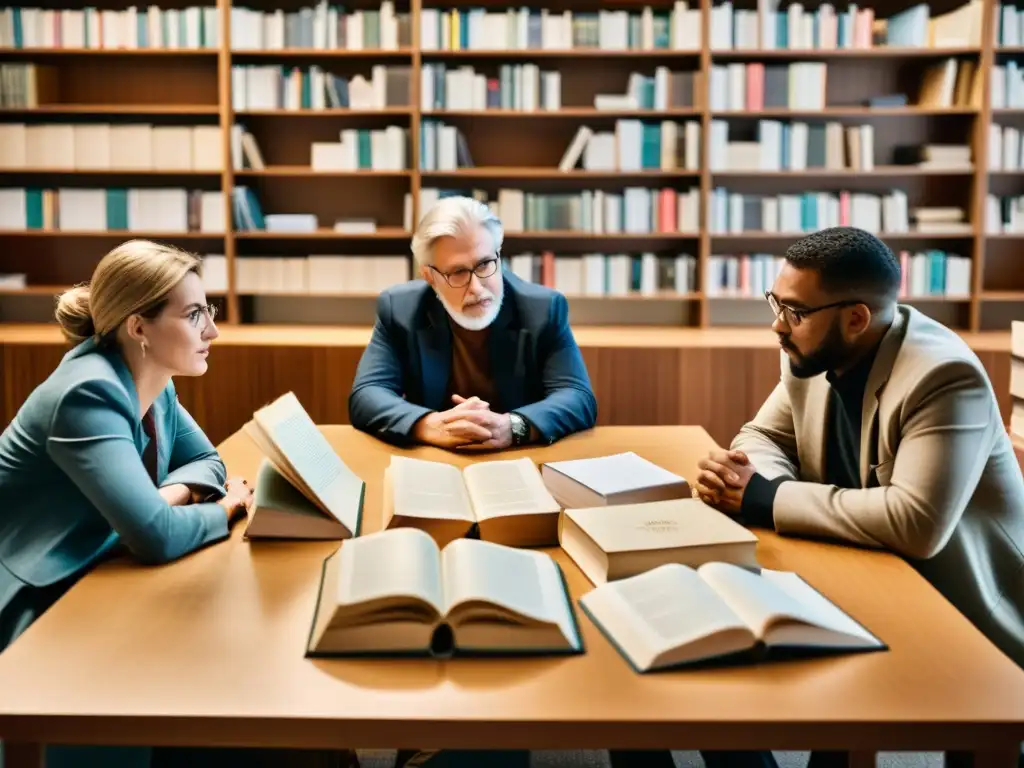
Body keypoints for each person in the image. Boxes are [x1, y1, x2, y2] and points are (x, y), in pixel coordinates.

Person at [695, 226, 1024, 768]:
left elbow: (916, 523)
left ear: (855, 319)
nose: (777, 324)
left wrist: (764, 499)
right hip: (862, 571)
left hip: (961, 613)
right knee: (715, 653)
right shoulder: (812, 349)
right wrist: (749, 480)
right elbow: (764, 436)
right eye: (776, 303)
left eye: (794, 311)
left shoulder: (944, 376)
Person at [0, 240, 254, 766]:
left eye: (209, 310)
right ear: (139, 328)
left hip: (99, 561)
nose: (213, 331)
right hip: (33, 591)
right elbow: (157, 535)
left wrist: (167, 496)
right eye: (193, 315)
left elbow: (209, 462)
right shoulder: (86, 393)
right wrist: (226, 509)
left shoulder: (152, 381)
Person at [348, 195, 597, 451]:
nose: (477, 288)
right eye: (458, 272)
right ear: (430, 276)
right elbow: (367, 394)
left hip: (519, 457)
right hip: (436, 459)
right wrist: (430, 425)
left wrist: (513, 427)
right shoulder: (400, 309)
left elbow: (578, 397)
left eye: (486, 263)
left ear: (499, 255)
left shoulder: (544, 309)